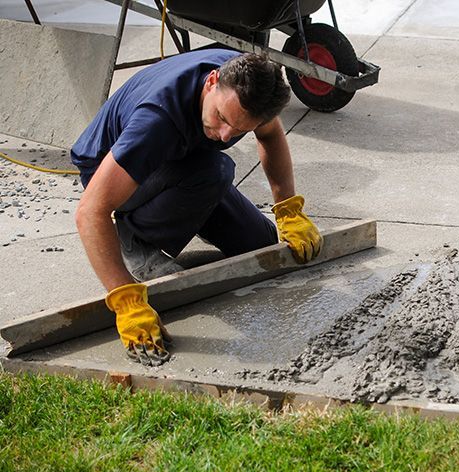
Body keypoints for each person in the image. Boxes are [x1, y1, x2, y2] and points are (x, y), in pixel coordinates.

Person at [71, 48, 323, 366]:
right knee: (215, 169)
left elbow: (270, 136)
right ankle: (135, 234)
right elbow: (90, 210)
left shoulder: (251, 85)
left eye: (239, 131)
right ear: (212, 82)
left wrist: (288, 209)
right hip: (112, 169)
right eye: (222, 118)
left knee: (260, 244)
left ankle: (186, 203)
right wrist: (125, 299)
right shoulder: (157, 120)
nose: (224, 135)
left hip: (183, 159)